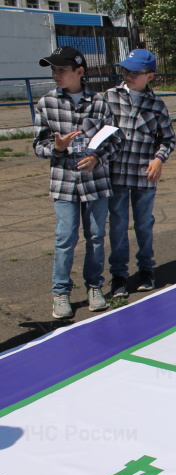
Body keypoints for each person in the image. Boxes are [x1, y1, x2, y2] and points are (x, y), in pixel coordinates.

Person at [34, 46, 122, 319]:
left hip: (95, 183)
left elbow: (115, 139)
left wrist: (97, 157)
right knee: (65, 238)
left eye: (61, 70)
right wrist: (57, 148)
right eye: (53, 70)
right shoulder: (46, 103)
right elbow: (39, 145)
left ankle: (94, 286)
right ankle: (61, 293)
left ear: (79, 72)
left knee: (96, 237)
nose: (56, 75)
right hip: (63, 183)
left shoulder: (99, 103)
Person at [104, 49, 176, 297]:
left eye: (135, 72)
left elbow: (167, 139)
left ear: (150, 76)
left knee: (144, 224)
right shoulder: (109, 98)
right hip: (116, 175)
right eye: (125, 71)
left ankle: (146, 268)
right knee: (118, 225)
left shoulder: (156, 105)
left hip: (144, 176)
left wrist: (159, 159)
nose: (128, 76)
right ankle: (119, 275)